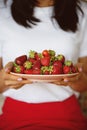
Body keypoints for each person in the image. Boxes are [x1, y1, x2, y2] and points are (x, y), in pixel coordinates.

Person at [0, 0, 87, 129]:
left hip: (67, 115)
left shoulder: (82, 10)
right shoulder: (2, 10)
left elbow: (84, 84)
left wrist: (76, 79)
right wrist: (3, 80)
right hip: (15, 116)